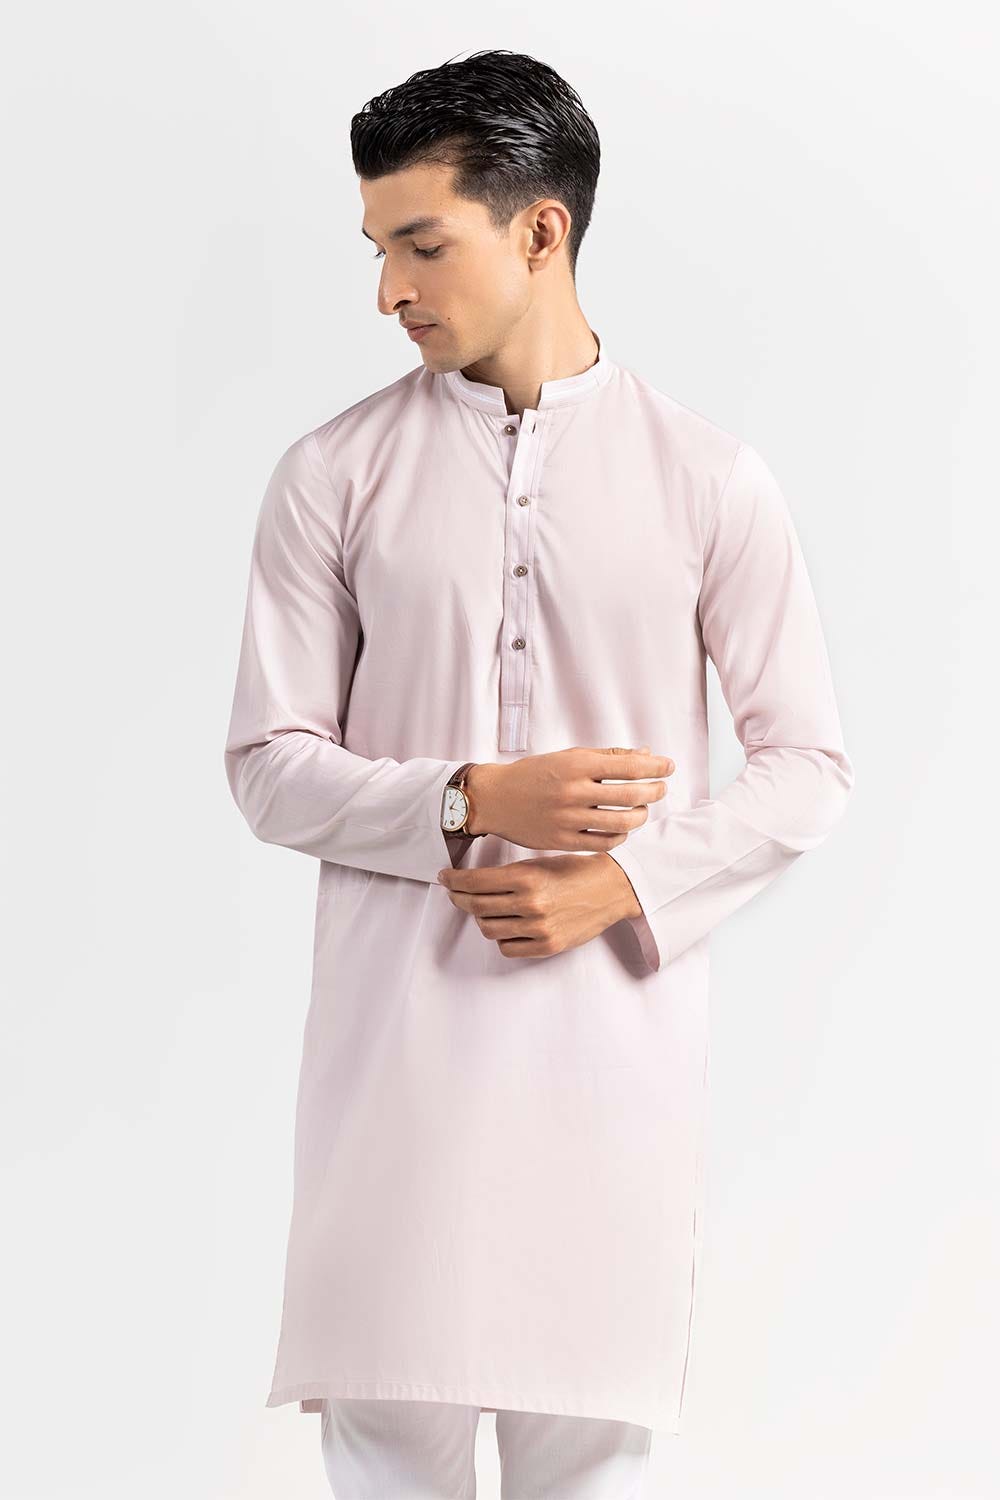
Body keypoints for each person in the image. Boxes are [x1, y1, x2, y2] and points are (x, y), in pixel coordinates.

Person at [223, 47, 855, 1500]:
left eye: (421, 244)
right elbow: (268, 766)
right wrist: (469, 798)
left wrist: (622, 883)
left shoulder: (707, 480)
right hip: (392, 1064)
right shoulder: (334, 475)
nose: (390, 289)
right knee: (389, 1454)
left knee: (588, 1466)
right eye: (378, 250)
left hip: (610, 1059)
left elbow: (810, 763)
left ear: (540, 231)